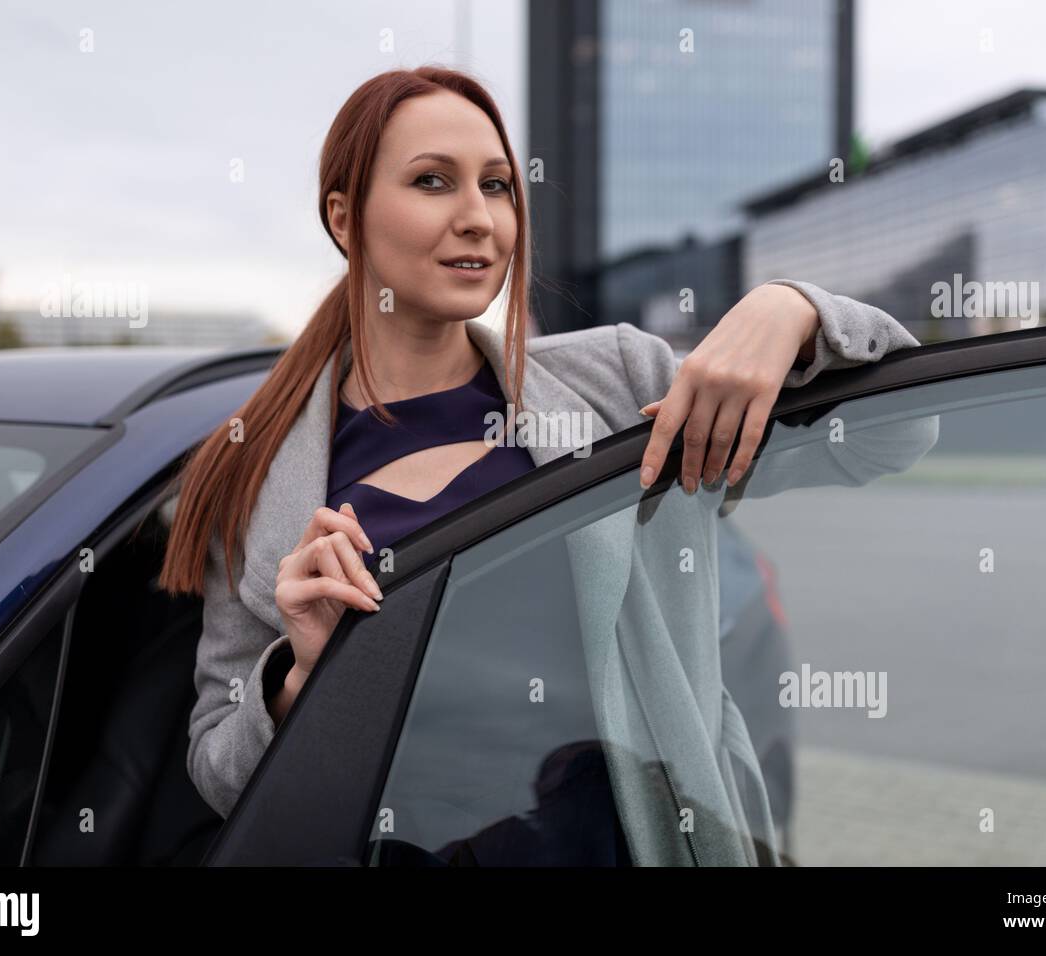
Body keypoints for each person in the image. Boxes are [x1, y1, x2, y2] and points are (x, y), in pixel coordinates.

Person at [158, 66, 929, 861]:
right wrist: (300, 678)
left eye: (497, 186)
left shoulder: (620, 382)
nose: (478, 219)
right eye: (432, 182)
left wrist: (794, 309)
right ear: (344, 218)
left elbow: (895, 437)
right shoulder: (248, 470)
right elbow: (219, 773)